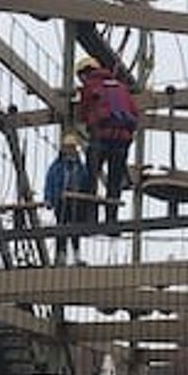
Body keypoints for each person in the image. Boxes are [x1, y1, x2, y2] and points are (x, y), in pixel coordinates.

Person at [74, 58, 140, 220]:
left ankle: (90, 218)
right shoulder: (122, 88)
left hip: (101, 136)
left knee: (91, 177)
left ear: (85, 73)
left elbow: (83, 114)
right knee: (115, 180)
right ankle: (112, 219)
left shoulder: (90, 86)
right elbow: (134, 112)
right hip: (123, 139)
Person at [44, 131, 92, 261]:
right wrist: (48, 199)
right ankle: (61, 255)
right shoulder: (57, 166)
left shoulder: (79, 167)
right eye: (68, 147)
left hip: (75, 200)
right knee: (61, 226)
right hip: (60, 199)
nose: (70, 150)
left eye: (72, 147)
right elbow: (50, 182)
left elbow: (86, 182)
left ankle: (76, 254)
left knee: (74, 227)